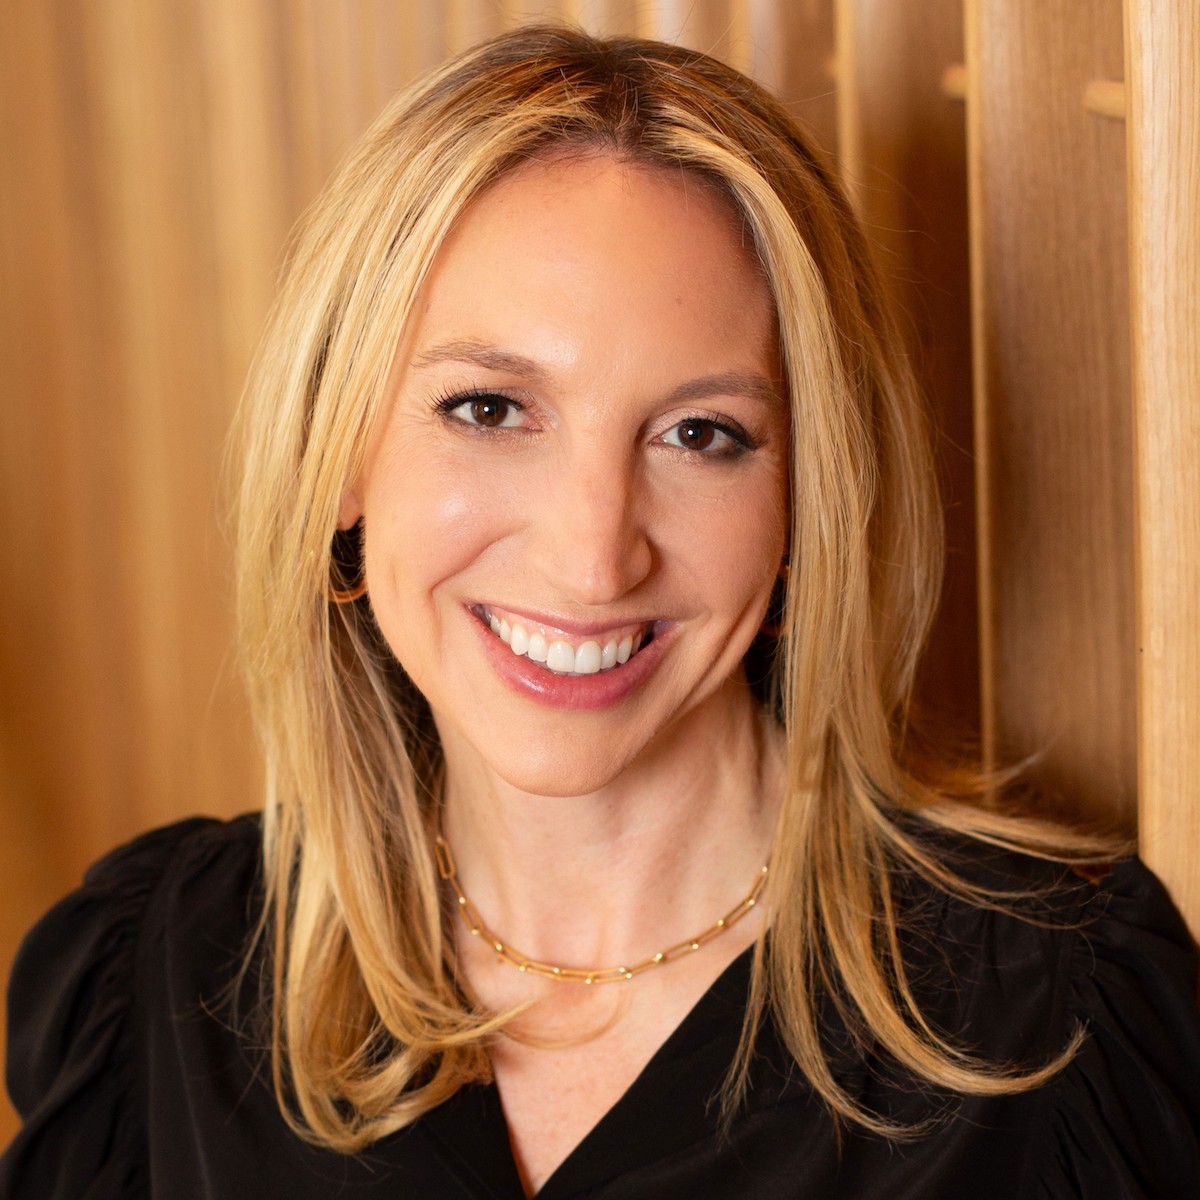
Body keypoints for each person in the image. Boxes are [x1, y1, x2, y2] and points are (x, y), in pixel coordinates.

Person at [2, 24, 1198, 1200]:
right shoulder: (158, 991)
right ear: (344, 461)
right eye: (488, 409)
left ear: (805, 506)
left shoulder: (1065, 1024)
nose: (591, 559)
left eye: (699, 434)